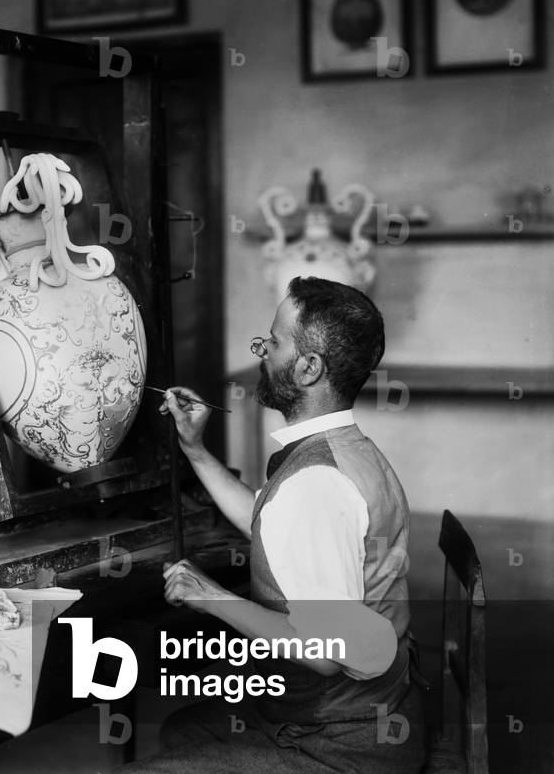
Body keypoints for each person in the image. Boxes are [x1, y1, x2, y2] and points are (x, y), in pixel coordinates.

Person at [120, 276, 426, 773]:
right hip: (379, 711)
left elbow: (330, 653)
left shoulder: (315, 484)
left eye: (273, 341)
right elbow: (270, 523)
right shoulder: (347, 451)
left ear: (308, 368)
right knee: (183, 728)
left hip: (340, 746)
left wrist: (210, 596)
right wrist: (195, 449)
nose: (262, 352)